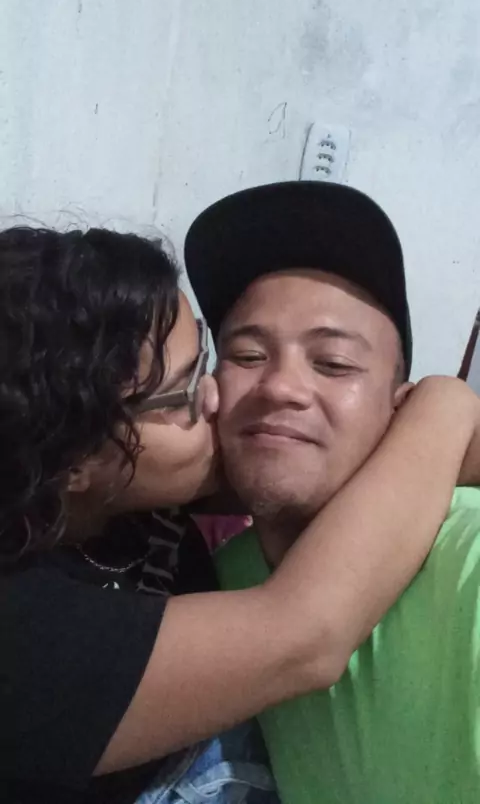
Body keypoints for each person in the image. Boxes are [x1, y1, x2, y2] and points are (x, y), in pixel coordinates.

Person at [0, 226, 478, 804]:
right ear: (73, 460)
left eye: (208, 362)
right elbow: (303, 633)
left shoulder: (128, 504)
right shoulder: (25, 633)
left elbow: (295, 466)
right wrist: (446, 406)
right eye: (181, 392)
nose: (216, 398)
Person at [185, 179, 480, 803]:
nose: (280, 387)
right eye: (247, 355)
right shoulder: (216, 582)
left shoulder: (468, 563)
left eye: (334, 364)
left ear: (403, 408)